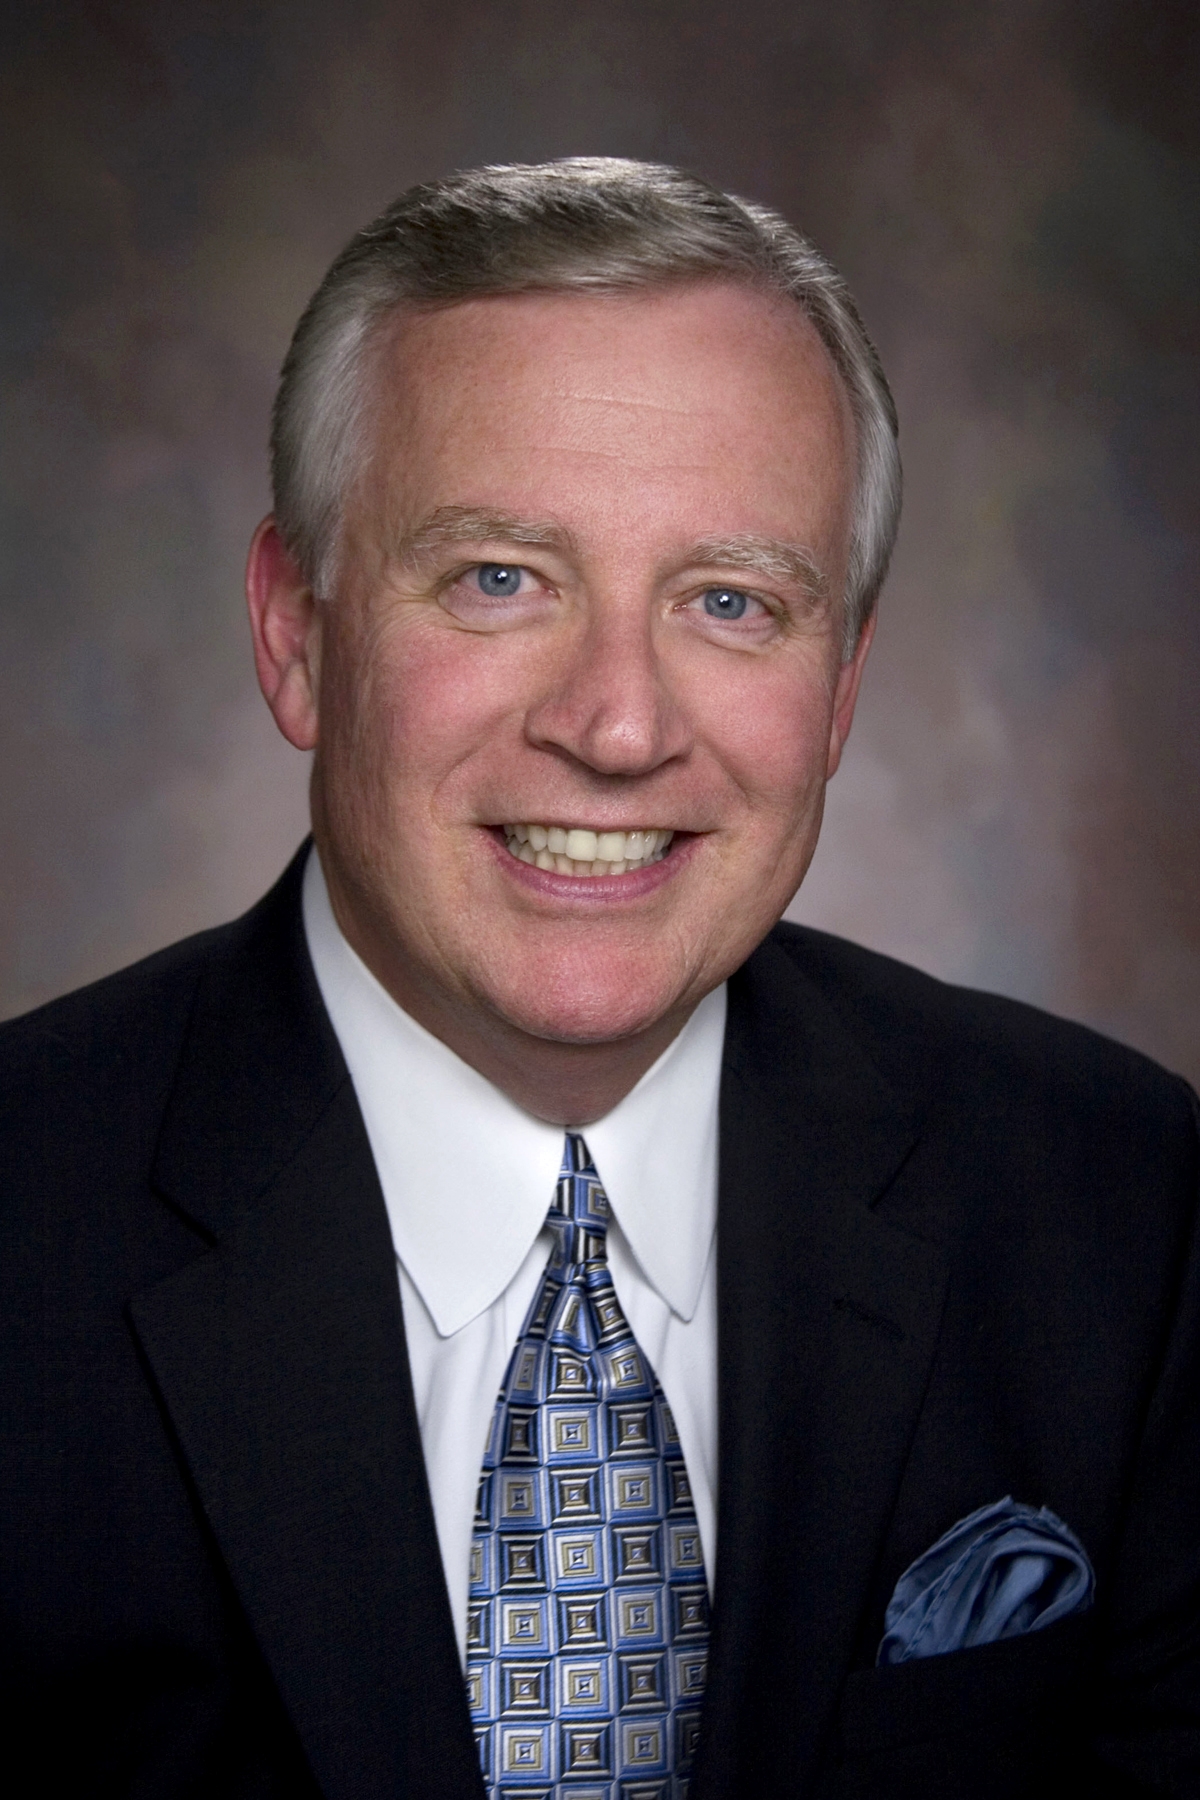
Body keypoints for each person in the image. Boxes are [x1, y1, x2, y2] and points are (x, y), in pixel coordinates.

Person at [1, 158, 1197, 1800]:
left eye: (731, 601)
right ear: (296, 633)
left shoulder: (1119, 1207)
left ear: (842, 688)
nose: (620, 726)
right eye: (500, 579)